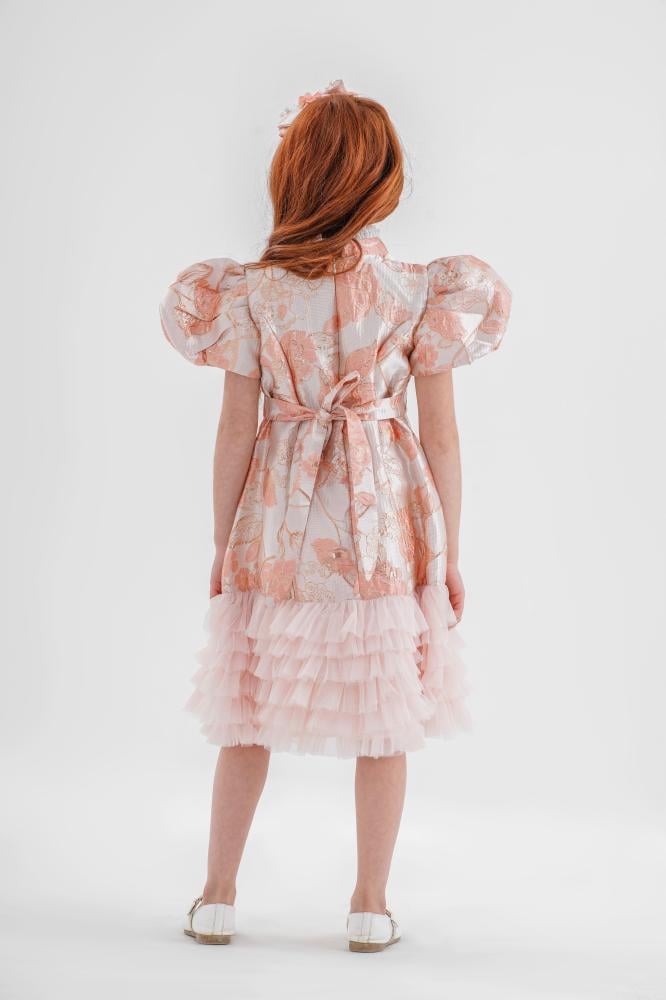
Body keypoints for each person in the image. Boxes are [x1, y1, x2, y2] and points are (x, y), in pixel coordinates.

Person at [159, 78, 512, 953]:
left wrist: (222, 543)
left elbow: (234, 431)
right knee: (384, 716)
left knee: (247, 707)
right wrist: (450, 553)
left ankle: (216, 896)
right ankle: (368, 906)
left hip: (277, 521)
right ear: (380, 181)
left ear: (293, 176)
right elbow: (442, 436)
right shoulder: (418, 291)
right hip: (381, 522)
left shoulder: (251, 293)